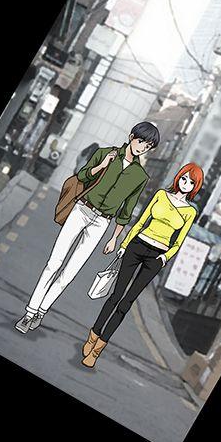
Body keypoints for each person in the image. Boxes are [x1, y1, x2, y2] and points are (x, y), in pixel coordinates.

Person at [15, 126, 161, 335]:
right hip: (81, 210)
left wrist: (114, 238)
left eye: (148, 146)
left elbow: (126, 211)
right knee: (54, 264)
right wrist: (102, 165)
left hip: (102, 223)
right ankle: (30, 313)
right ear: (131, 137)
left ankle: (41, 311)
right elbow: (83, 176)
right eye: (141, 142)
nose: (143, 148)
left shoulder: (140, 176)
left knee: (70, 272)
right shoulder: (105, 153)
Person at [82, 163, 203, 367]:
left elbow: (178, 242)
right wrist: (124, 245)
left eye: (191, 182)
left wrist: (164, 258)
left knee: (126, 303)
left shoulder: (190, 212)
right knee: (116, 295)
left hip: (156, 257)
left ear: (195, 187)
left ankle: (98, 349)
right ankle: (93, 335)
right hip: (137, 245)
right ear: (178, 178)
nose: (185, 184)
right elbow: (140, 222)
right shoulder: (161, 195)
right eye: (184, 178)